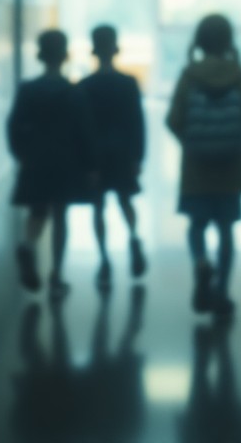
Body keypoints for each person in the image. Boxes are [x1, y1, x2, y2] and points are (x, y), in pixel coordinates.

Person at [166, 14, 241, 320]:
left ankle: (201, 263)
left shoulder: (189, 74)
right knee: (226, 230)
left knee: (197, 224)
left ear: (200, 40)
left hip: (196, 169)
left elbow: (173, 119)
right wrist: (232, 138)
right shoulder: (237, 74)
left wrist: (191, 141)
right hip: (232, 169)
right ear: (229, 41)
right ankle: (222, 293)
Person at [8, 29, 98, 300]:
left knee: (38, 211)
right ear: (65, 55)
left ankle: (28, 244)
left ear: (40, 55)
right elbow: (85, 132)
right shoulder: (74, 92)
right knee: (60, 217)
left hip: (35, 161)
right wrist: (91, 166)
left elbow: (13, 126)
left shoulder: (28, 89)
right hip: (65, 162)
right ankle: (57, 275)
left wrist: (21, 154)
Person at [77, 25, 148, 290]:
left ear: (94, 50)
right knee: (125, 200)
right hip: (123, 153)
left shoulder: (85, 86)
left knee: (98, 207)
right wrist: (138, 157)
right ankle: (133, 238)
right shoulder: (128, 83)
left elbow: (81, 128)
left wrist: (83, 161)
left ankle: (104, 257)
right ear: (116, 48)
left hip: (95, 156)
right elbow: (137, 123)